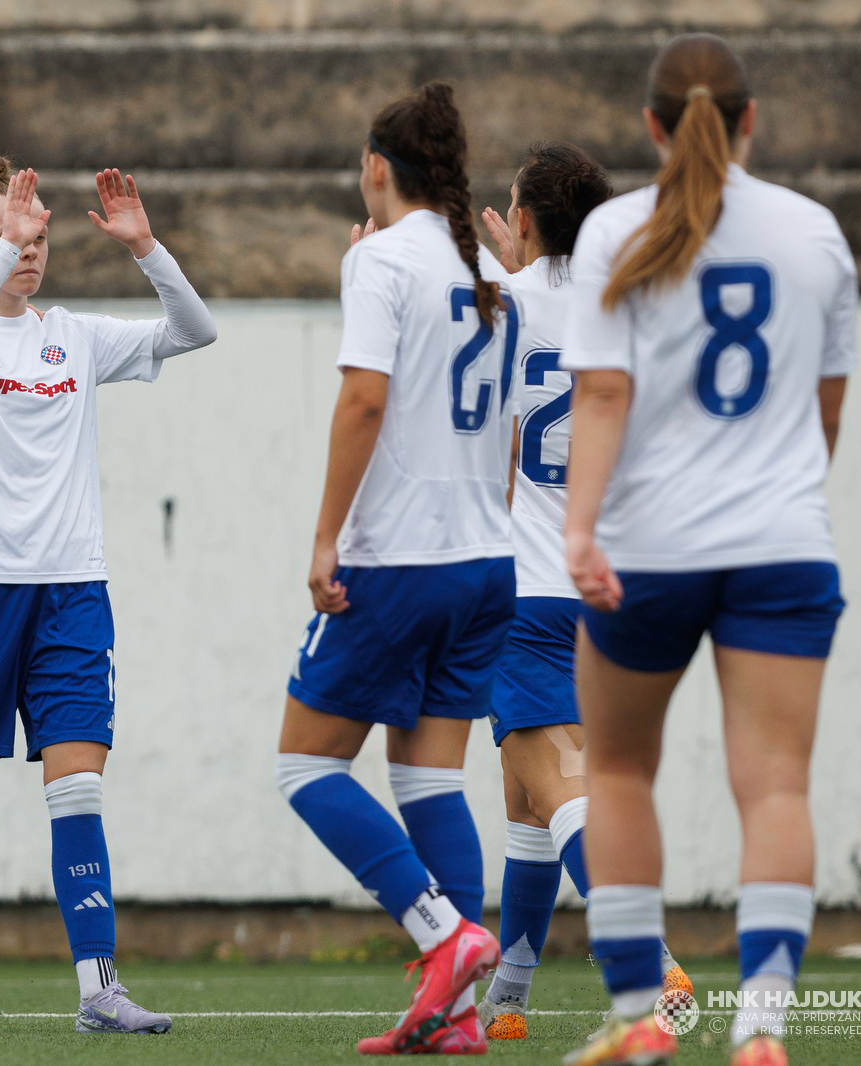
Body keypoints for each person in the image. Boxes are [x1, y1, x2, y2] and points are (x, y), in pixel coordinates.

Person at [558, 34, 855, 1066]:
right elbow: (823, 417)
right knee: (774, 785)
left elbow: (601, 395)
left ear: (650, 124)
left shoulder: (609, 231)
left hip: (648, 549)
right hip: (781, 543)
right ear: (750, 118)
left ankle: (644, 1015)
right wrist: (773, 507)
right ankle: (761, 1027)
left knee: (620, 767)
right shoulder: (815, 234)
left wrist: (578, 531)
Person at [0, 154, 216, 1037]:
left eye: (37, 235)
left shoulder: (74, 336)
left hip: (73, 597)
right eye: (8, 234)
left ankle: (98, 989)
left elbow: (194, 330)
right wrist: (3, 253)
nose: (29, 248)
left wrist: (147, 248)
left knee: (78, 790)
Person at [278, 82, 515, 1057]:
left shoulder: (381, 262)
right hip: (485, 561)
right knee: (427, 781)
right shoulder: (489, 266)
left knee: (304, 764)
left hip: (401, 562)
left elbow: (363, 403)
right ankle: (454, 1017)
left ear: (375, 167)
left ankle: (441, 934)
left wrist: (325, 536)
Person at [471, 145, 691, 1042]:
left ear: (521, 222)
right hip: (612, 586)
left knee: (556, 782)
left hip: (524, 587)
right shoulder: (626, 308)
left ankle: (646, 958)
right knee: (528, 798)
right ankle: (511, 997)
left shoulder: (497, 307)